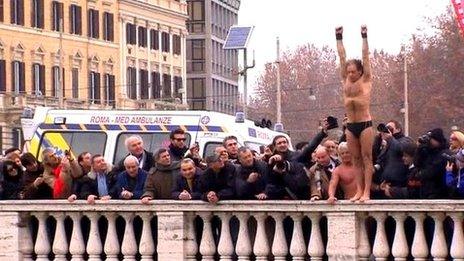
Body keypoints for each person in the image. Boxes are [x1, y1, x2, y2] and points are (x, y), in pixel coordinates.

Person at [336, 25, 374, 201]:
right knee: (356, 159)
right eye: (348, 71)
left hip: (365, 123)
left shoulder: (365, 80)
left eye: (353, 71)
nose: (350, 74)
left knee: (367, 158)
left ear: (360, 72)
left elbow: (365, 56)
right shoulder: (345, 81)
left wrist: (364, 36)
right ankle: (359, 190)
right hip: (351, 125)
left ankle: (366, 191)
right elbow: (341, 57)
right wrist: (338, 37)